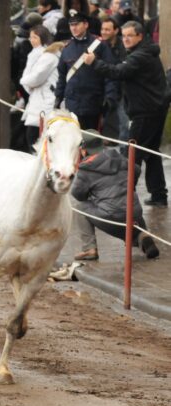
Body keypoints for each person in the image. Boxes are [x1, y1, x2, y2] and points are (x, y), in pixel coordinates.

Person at [84, 20, 171, 207]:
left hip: (146, 112)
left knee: (131, 155)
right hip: (153, 109)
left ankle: (121, 198)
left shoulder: (140, 56)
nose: (126, 39)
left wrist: (94, 62)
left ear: (140, 36)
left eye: (130, 36)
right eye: (124, 36)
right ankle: (158, 195)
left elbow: (118, 72)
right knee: (152, 153)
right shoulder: (144, 52)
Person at [72, 130, 159, 260]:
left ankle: (89, 249)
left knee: (80, 208)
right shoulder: (116, 156)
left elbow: (78, 194)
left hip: (112, 215)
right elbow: (136, 169)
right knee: (130, 206)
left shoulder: (86, 168)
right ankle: (143, 237)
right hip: (134, 212)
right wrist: (129, 185)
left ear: (83, 149)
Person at [55, 9, 119, 130]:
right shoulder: (67, 48)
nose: (74, 28)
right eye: (71, 25)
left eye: (77, 24)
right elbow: (62, 76)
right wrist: (58, 97)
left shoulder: (100, 45)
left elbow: (110, 73)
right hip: (72, 105)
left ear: (86, 24)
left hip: (93, 104)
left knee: (91, 143)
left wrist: (110, 97)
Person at [20, 26, 62, 151]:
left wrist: (24, 81)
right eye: (31, 37)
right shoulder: (45, 54)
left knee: (35, 138)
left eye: (35, 37)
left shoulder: (46, 56)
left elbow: (35, 78)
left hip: (44, 101)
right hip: (42, 98)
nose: (32, 40)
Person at [99, 17, 129, 141]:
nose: (104, 32)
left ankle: (123, 154)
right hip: (105, 87)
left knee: (124, 123)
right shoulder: (99, 46)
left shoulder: (124, 46)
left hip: (122, 89)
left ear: (116, 31)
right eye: (102, 29)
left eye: (107, 29)